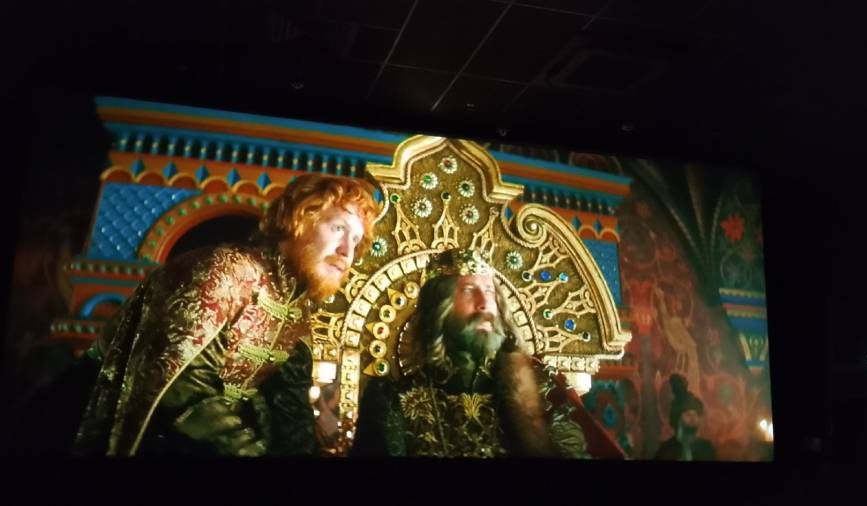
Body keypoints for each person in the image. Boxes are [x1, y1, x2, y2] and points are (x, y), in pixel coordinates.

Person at [73, 174, 378, 456]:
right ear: (297, 219)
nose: (347, 252)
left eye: (355, 240)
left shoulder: (297, 310)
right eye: (338, 229)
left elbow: (287, 407)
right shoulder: (224, 272)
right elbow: (180, 391)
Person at [351, 248, 625, 458]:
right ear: (439, 307)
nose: (484, 304)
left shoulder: (542, 390)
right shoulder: (393, 401)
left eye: (490, 291)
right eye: (469, 290)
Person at [654, 373, 716, 461]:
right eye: (688, 414)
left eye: (695, 414)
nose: (693, 418)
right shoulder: (665, 451)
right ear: (677, 418)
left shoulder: (706, 449)